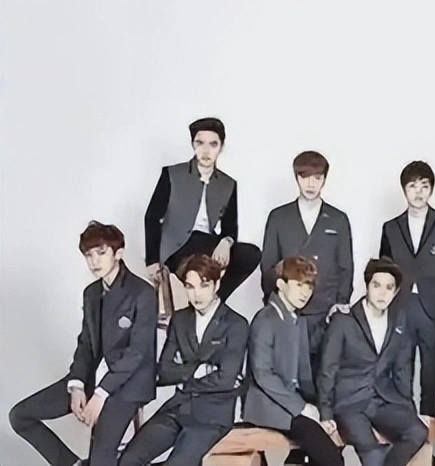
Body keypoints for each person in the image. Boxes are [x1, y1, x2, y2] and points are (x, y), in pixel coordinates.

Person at [9, 221, 157, 466]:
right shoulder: (91, 293)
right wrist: (77, 384)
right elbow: (86, 343)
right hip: (92, 378)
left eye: (101, 252)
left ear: (118, 253)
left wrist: (100, 394)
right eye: (89, 255)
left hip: (126, 385)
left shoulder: (143, 293)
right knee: (20, 416)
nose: (94, 261)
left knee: (101, 459)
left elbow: (137, 354)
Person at [119, 254, 249, 466]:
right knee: (129, 459)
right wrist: (199, 370)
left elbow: (226, 379)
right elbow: (164, 371)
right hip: (178, 407)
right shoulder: (180, 319)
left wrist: (183, 375)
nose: (196, 294)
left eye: (203, 286)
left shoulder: (236, 324)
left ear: (216, 285)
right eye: (190, 287)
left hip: (212, 416)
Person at [318, 258, 428, 466]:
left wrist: (409, 410)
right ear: (367, 286)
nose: (382, 293)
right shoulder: (344, 321)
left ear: (396, 292)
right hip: (349, 403)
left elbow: (402, 370)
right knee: (373, 454)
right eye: (377, 285)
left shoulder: (399, 321)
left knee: (418, 431)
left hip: (382, 401)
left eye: (389, 288)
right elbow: (327, 369)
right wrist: (325, 413)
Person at [378, 160, 435, 416]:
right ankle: (404, 422)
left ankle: (428, 422)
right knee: (400, 368)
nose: (418, 192)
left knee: (432, 370)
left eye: (424, 186)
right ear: (404, 190)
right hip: (401, 305)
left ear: (431, 189)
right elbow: (383, 271)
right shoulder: (391, 227)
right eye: (412, 186)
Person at [260, 150, 354, 382]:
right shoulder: (279, 217)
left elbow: (345, 266)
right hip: (289, 309)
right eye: (305, 177)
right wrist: (277, 303)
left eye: (317, 177)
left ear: (324, 180)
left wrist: (340, 303)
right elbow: (268, 265)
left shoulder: (338, 219)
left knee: (322, 375)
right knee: (286, 373)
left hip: (325, 311)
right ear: (296, 178)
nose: (311, 184)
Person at [144, 116, 261, 301]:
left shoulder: (228, 184)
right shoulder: (172, 174)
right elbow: (152, 217)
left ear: (221, 147)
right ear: (193, 144)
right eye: (200, 143)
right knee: (202, 266)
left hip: (207, 242)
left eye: (213, 144)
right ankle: (210, 302)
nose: (206, 151)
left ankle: (215, 300)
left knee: (250, 254)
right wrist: (151, 260)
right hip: (176, 246)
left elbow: (230, 226)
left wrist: (226, 242)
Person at [245, 256, 344, 466]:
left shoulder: (296, 319)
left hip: (291, 402)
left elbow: (303, 374)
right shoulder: (265, 319)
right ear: (281, 284)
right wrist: (301, 407)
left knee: (332, 444)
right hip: (268, 405)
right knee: (331, 459)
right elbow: (263, 375)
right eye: (299, 285)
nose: (305, 292)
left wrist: (320, 411)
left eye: (309, 286)